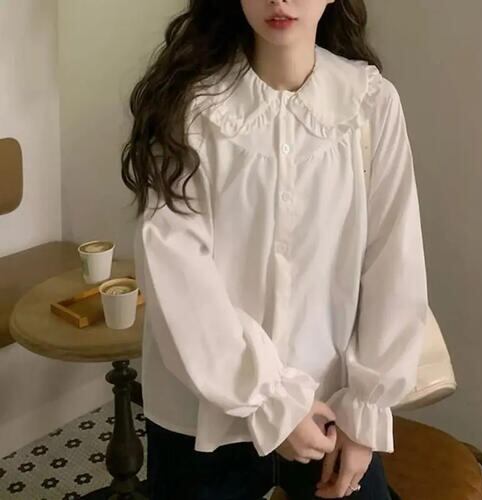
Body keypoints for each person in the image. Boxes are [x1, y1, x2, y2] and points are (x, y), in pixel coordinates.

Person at [121, 0, 428, 498]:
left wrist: (366, 414)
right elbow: (177, 275)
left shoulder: (370, 103)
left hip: (333, 411)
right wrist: (271, 401)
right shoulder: (190, 108)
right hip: (204, 417)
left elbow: (394, 262)